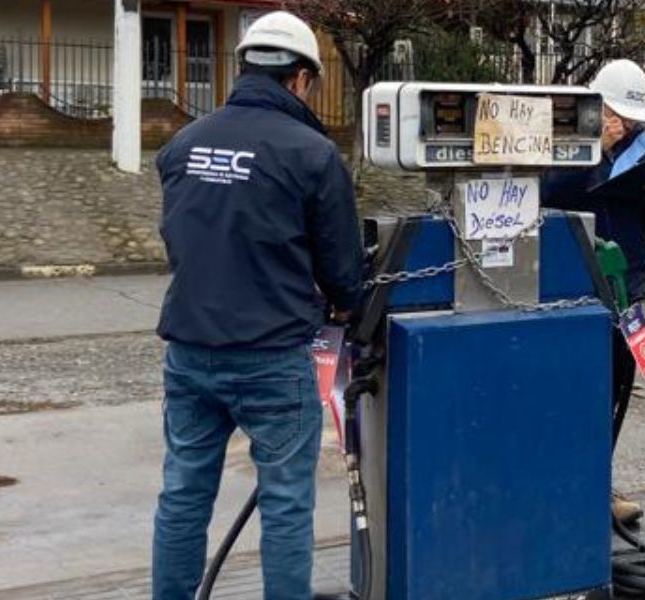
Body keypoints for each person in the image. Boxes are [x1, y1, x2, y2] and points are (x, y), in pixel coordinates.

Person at [150, 11, 363, 600]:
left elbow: (181, 237)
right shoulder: (314, 154)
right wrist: (348, 308)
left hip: (190, 352)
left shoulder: (182, 145)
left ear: (245, 67)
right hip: (272, 357)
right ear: (300, 78)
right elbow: (344, 271)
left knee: (183, 494)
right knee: (286, 506)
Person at [540, 59, 645, 526]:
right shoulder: (564, 144)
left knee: (617, 389)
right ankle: (568, 485)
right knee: (574, 392)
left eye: (630, 119)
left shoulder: (640, 154)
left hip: (628, 287)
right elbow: (547, 192)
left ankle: (599, 482)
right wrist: (592, 153)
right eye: (617, 115)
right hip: (577, 284)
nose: (624, 126)